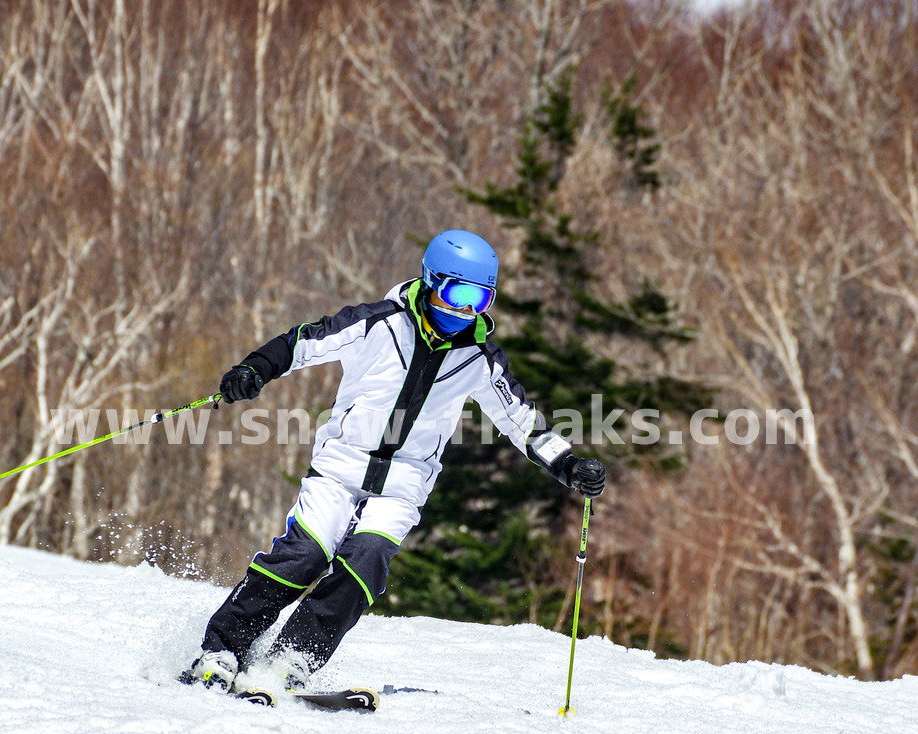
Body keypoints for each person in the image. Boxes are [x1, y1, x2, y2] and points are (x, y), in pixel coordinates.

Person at [181, 230, 606, 693]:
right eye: (456, 294)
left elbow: (522, 422)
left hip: (404, 482)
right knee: (304, 556)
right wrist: (255, 369)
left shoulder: (480, 359)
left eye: (479, 300)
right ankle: (222, 649)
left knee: (366, 563)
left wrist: (567, 464)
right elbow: (301, 342)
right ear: (430, 281)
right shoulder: (377, 324)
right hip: (341, 468)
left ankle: (292, 660)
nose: (465, 311)